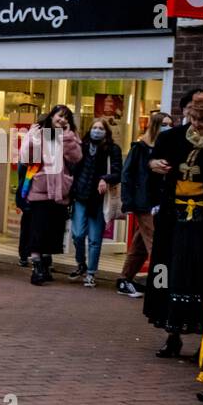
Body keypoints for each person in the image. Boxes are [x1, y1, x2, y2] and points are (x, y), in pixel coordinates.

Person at [144, 91, 203, 359]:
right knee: (166, 272)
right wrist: (153, 164)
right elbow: (151, 162)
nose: (195, 123)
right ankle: (171, 335)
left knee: (201, 278)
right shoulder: (171, 137)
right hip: (174, 219)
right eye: (192, 117)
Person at [19, 105, 82, 285]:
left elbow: (76, 158)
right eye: (59, 116)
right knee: (38, 230)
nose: (62, 120)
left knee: (53, 231)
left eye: (66, 118)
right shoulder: (37, 132)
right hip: (40, 189)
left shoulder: (70, 136)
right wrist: (34, 140)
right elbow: (26, 157)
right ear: (52, 116)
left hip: (61, 191)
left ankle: (45, 266)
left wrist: (68, 138)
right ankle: (37, 268)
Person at [117, 111, 171, 298]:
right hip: (144, 202)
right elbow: (127, 174)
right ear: (155, 125)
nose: (168, 127)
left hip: (160, 202)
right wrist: (128, 201)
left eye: (170, 124)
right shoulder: (139, 148)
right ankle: (160, 286)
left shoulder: (164, 148)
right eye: (164, 123)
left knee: (140, 244)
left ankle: (125, 279)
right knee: (157, 244)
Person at [68, 117, 123, 288]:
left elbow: (118, 172)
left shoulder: (112, 149)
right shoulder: (82, 146)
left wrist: (105, 179)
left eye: (101, 128)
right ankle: (81, 264)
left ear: (106, 131)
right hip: (80, 196)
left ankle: (91, 273)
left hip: (99, 200)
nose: (97, 131)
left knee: (94, 239)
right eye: (94, 127)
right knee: (77, 234)